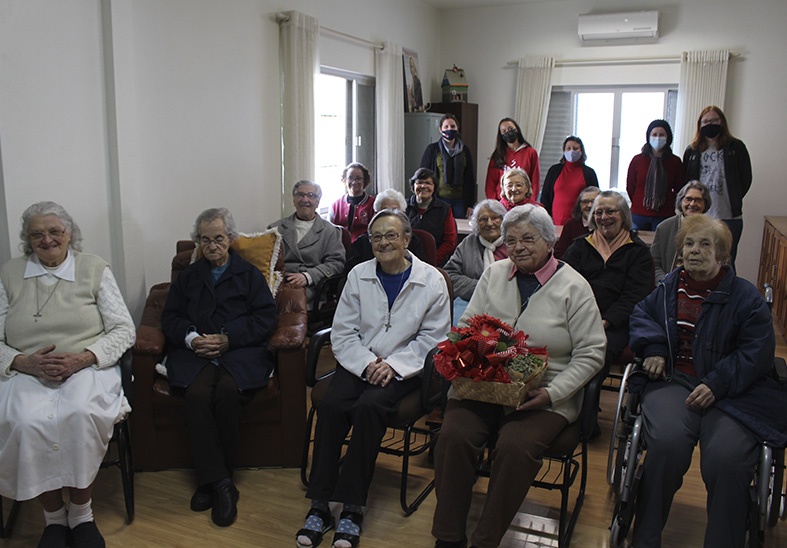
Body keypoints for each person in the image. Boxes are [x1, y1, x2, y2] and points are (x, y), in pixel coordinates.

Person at [431, 204, 606, 548]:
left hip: (544, 392)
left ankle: (486, 539)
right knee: (453, 436)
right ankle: (448, 537)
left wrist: (554, 393)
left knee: (514, 446)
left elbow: (592, 353)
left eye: (528, 238)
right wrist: (464, 361)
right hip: (483, 386)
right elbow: (467, 327)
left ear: (549, 241)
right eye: (511, 240)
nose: (519, 247)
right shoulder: (495, 274)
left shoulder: (574, 286)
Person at [629, 214, 787, 548]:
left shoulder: (746, 298)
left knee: (727, 458)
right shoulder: (669, 288)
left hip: (733, 392)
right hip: (674, 381)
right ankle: (645, 538)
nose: (695, 251)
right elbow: (642, 315)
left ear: (722, 256)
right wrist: (655, 347)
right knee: (666, 445)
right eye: (689, 243)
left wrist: (716, 383)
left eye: (705, 244)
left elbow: (756, 353)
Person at [296, 209, 450, 548]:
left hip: (405, 370)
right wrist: (367, 364)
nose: (383, 242)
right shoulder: (358, 275)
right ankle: (319, 504)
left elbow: (434, 339)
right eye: (376, 237)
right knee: (332, 405)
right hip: (359, 362)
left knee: (368, 408)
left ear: (407, 239)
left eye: (391, 235)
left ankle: (352, 507)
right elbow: (343, 331)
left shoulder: (431, 279)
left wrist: (393, 366)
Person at [0, 201, 135, 548]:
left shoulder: (94, 268)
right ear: (27, 240)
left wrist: (84, 358)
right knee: (25, 421)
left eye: (54, 231)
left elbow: (123, 329)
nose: (47, 240)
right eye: (37, 234)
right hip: (25, 372)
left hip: (85, 367)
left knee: (78, 413)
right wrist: (22, 362)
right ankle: (54, 520)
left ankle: (81, 515)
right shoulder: (8, 274)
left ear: (69, 234)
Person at [161, 207, 276, 528]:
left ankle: (210, 481)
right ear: (198, 242)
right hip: (195, 352)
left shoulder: (249, 274)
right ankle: (222, 484)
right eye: (206, 239)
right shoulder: (188, 278)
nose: (213, 245)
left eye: (219, 239)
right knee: (196, 396)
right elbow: (170, 318)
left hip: (239, 351)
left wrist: (228, 338)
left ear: (231, 240)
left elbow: (265, 318)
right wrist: (192, 338)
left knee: (228, 391)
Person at [562, 190, 654, 367]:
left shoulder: (638, 252)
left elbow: (635, 296)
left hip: (615, 325)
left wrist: (604, 322)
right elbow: (563, 283)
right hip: (577, 318)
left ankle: (585, 395)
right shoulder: (580, 246)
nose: (604, 217)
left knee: (593, 359)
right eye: (598, 212)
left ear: (624, 215)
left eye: (610, 211)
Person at [683, 106, 752, 267]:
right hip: (700, 215)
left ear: (722, 122)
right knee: (699, 258)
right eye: (705, 121)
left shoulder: (735, 147)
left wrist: (734, 196)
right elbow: (686, 182)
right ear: (700, 125)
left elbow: (746, 178)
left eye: (714, 120)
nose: (710, 124)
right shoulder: (692, 150)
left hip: (729, 215)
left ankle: (727, 292)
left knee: (726, 260)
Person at [269, 181, 346, 306]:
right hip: (278, 284)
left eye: (311, 195)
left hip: (310, 287)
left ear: (317, 202)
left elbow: (336, 263)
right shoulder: (275, 229)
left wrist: (308, 276)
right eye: (300, 195)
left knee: (289, 302)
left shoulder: (330, 231)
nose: (305, 199)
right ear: (294, 200)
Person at [444, 199, 508, 324]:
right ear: (476, 223)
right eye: (483, 219)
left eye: (495, 218)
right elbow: (450, 275)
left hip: (506, 304)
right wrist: (481, 288)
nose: (490, 223)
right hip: (470, 302)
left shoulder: (513, 244)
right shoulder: (469, 243)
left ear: (503, 220)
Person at [346, 189, 429, 272]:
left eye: (395, 210)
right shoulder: (362, 242)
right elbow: (350, 273)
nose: (390, 215)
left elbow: (421, 271)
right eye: (385, 210)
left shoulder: (413, 241)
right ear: (377, 214)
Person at [626, 119, 685, 231]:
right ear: (649, 137)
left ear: (668, 138)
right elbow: (630, 187)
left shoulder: (675, 162)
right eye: (654, 134)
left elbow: (680, 189)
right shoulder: (637, 160)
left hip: (664, 215)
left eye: (662, 134)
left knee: (661, 247)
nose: (658, 138)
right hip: (638, 215)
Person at [650, 181, 712, 281]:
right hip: (669, 284)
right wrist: (665, 281)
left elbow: (722, 263)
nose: (692, 204)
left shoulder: (714, 230)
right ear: (681, 201)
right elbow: (654, 264)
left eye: (698, 200)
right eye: (688, 199)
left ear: (705, 204)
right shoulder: (664, 228)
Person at [419, 113, 477, 219]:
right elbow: (423, 175)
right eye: (446, 127)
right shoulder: (432, 150)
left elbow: (470, 178)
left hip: (460, 202)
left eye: (453, 126)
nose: (450, 129)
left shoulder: (465, 150)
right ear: (440, 129)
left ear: (457, 128)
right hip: (438, 199)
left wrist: (471, 204)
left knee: (459, 231)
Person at [541, 135, 599, 225]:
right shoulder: (554, 170)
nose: (572, 151)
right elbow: (545, 197)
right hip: (554, 222)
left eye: (575, 148)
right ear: (564, 151)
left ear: (581, 151)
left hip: (580, 223)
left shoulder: (589, 173)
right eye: (568, 148)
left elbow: (596, 199)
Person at [406, 167, 457, 266]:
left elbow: (450, 242)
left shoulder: (444, 209)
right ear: (413, 186)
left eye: (428, 183)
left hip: (436, 263)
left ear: (434, 187)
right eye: (419, 182)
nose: (423, 186)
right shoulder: (403, 206)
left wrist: (432, 261)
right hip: (408, 262)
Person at [484, 118, 541, 201]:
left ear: (516, 129)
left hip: (524, 202)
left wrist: (531, 202)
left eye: (510, 129)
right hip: (502, 203)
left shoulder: (531, 153)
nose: (508, 132)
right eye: (504, 131)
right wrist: (495, 204)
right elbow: (490, 183)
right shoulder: (498, 155)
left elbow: (535, 181)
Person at [329, 162, 375, 242]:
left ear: (365, 181)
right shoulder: (335, 206)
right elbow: (328, 231)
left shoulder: (373, 204)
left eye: (358, 178)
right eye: (350, 178)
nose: (354, 182)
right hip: (339, 249)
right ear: (344, 180)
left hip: (365, 249)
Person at [554, 187, 600, 259]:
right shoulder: (571, 225)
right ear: (579, 205)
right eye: (585, 202)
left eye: (593, 201)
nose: (589, 205)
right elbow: (559, 254)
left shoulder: (605, 226)